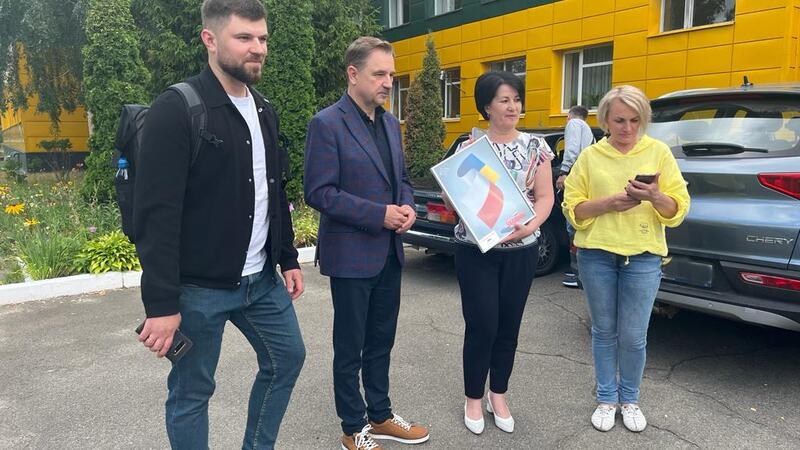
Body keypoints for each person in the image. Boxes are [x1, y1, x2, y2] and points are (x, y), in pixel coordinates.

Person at [134, 1, 305, 448]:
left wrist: (287, 257)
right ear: (209, 40)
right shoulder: (177, 108)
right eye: (244, 37)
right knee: (192, 391)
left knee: (287, 358)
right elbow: (156, 215)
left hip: (260, 282)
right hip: (198, 290)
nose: (258, 48)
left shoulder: (264, 109)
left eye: (262, 38)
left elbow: (274, 189)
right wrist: (161, 304)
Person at [304, 37, 430, 450]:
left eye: (391, 74)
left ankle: (380, 415)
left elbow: (402, 180)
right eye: (379, 74)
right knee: (350, 347)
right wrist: (379, 215)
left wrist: (407, 207)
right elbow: (319, 192)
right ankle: (352, 427)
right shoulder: (327, 123)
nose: (388, 82)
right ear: (353, 74)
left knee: (381, 341)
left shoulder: (391, 124)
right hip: (351, 256)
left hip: (389, 253)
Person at [562, 85, 690, 433]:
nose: (628, 128)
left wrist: (655, 196)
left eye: (635, 120)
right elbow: (572, 209)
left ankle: (630, 399)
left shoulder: (658, 153)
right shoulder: (590, 157)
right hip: (597, 255)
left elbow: (678, 210)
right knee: (604, 331)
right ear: (605, 120)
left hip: (644, 256)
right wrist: (608, 203)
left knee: (633, 336)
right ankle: (606, 398)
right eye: (619, 120)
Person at [450, 71, 555, 435]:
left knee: (509, 326)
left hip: (521, 250)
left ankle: (499, 395)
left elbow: (545, 197)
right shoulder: (469, 148)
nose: (513, 107)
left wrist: (531, 225)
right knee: (482, 325)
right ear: (487, 107)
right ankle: (473, 398)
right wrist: (453, 194)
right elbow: (456, 197)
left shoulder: (535, 147)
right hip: (475, 249)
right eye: (504, 100)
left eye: (517, 99)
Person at [556, 105, 595, 288]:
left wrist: (563, 172)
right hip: (587, 182)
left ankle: (578, 273)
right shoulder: (587, 130)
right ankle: (579, 271)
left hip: (577, 181)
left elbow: (571, 150)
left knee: (573, 225)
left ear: (570, 115)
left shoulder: (574, 124)